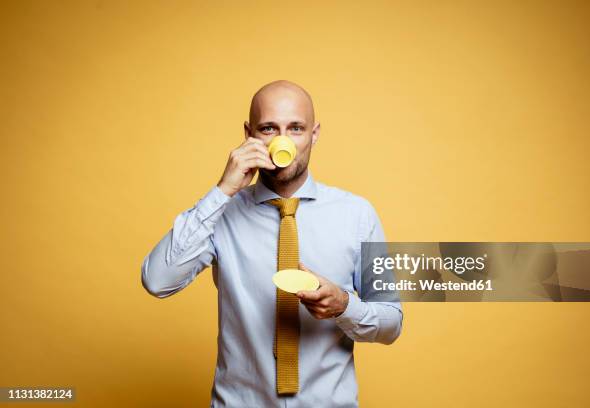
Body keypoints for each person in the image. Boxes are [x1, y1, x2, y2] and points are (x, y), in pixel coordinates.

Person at [141, 80, 403, 407]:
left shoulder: (357, 214)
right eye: (268, 128)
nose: (283, 140)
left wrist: (343, 305)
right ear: (249, 133)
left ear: (314, 134)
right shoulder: (221, 213)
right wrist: (223, 190)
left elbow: (392, 322)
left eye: (296, 128)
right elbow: (157, 281)